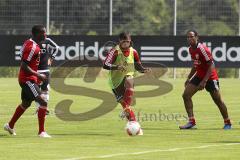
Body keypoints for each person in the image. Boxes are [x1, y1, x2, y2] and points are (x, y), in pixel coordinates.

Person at [4, 25, 51, 138]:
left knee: (26, 103)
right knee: (43, 102)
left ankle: (9, 125)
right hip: (27, 80)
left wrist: (36, 75)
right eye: (43, 33)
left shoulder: (29, 43)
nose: (45, 35)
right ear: (36, 34)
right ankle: (41, 132)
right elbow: (24, 65)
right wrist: (37, 74)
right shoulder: (32, 47)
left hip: (29, 79)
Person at [179, 30, 231, 130]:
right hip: (199, 75)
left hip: (210, 77)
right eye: (188, 37)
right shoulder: (190, 49)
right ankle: (191, 121)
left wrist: (204, 81)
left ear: (197, 37)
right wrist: (188, 78)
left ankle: (227, 122)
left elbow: (212, 65)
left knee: (217, 100)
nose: (189, 38)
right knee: (186, 95)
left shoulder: (202, 49)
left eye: (191, 36)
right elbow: (196, 65)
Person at [103, 32, 150, 135]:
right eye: (124, 42)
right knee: (124, 104)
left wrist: (143, 70)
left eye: (128, 42)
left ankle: (132, 122)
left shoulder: (134, 52)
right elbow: (105, 65)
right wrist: (117, 67)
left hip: (128, 76)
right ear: (120, 41)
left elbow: (138, 66)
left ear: (130, 41)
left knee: (130, 82)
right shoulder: (114, 51)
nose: (126, 44)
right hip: (115, 81)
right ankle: (135, 126)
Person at [35, 37, 59, 114]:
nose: (44, 34)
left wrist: (51, 58)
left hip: (45, 69)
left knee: (44, 89)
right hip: (35, 70)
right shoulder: (32, 41)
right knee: (36, 90)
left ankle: (44, 108)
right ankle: (40, 108)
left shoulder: (47, 40)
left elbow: (56, 47)